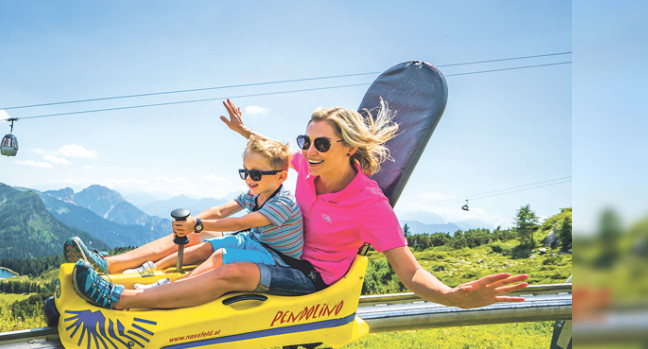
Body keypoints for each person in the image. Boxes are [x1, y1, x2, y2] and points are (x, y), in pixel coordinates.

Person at [67, 98, 528, 311]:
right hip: (275, 247)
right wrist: (245, 132)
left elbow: (409, 272)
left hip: (309, 275)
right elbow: (275, 155)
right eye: (306, 140)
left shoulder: (371, 205)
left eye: (321, 143)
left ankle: (122, 300)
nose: (309, 150)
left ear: (349, 147)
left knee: (234, 270)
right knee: (200, 235)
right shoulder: (307, 166)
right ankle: (107, 263)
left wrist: (452, 296)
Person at [67, 137, 314, 307]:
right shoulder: (255, 192)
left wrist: (198, 225)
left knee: (218, 257)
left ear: (281, 176)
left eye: (255, 173)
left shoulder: (284, 203)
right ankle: (132, 268)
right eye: (245, 171)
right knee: (204, 248)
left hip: (278, 258)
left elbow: (242, 222)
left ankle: (168, 288)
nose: (248, 178)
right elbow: (219, 211)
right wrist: (191, 222)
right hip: (256, 241)